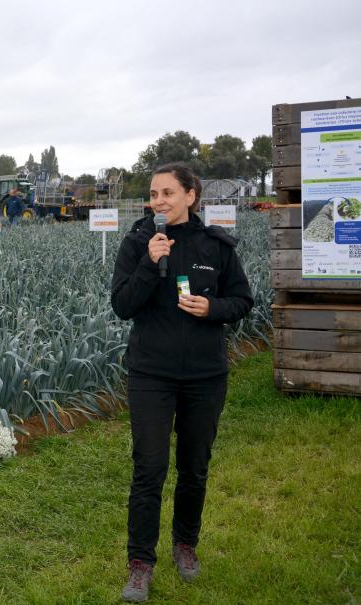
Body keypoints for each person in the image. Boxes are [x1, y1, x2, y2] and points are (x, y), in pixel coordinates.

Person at [110, 162, 254, 603]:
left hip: (205, 376)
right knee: (149, 469)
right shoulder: (138, 244)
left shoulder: (216, 246)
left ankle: (185, 545)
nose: (158, 202)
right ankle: (140, 563)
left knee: (194, 467)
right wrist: (149, 265)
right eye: (154, 194)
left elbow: (244, 299)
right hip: (151, 374)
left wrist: (213, 310)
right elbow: (122, 306)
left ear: (191, 195)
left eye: (168, 193)